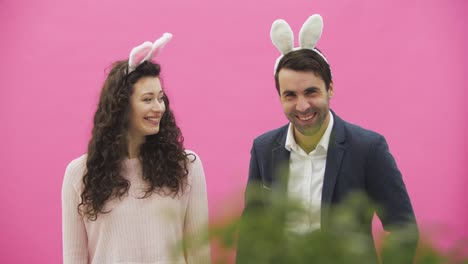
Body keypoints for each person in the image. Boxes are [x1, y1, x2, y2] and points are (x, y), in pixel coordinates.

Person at [237, 15, 418, 263]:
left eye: (311, 92)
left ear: (330, 88)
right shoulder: (263, 148)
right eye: (290, 95)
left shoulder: (368, 148)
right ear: (279, 96)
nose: (302, 106)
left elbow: (403, 229)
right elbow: (252, 232)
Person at [62, 33, 210, 264]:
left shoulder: (186, 166)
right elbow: (74, 257)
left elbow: (199, 253)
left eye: (161, 98)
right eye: (148, 99)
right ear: (122, 107)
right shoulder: (79, 174)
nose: (158, 108)